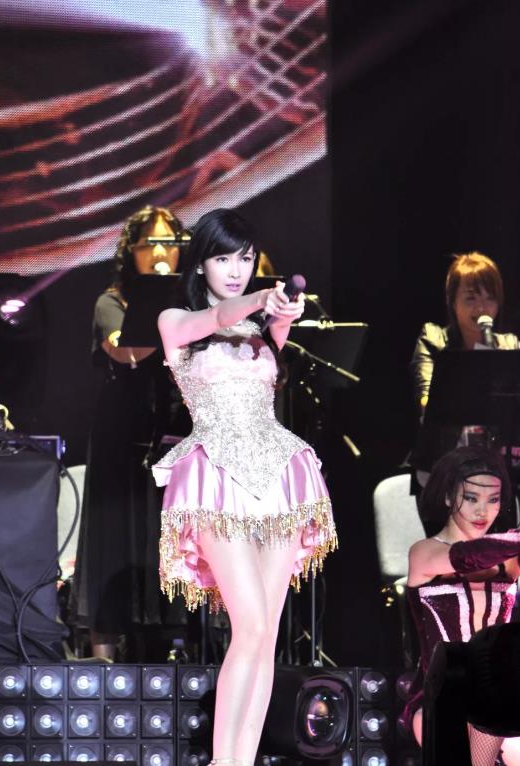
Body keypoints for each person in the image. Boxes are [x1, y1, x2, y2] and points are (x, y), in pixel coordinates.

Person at [151, 208, 337, 765]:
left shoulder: (262, 326)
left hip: (280, 476)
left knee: (266, 633)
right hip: (214, 478)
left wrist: (282, 313)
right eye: (223, 258)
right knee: (250, 623)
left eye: (246, 259)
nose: (236, 270)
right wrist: (259, 298)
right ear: (200, 263)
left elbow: (275, 330)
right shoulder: (175, 320)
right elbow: (217, 316)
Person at [70, 204, 187, 660]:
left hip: (170, 427)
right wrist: (168, 319)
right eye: (149, 243)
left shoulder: (189, 302)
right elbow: (125, 353)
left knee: (165, 532)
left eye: (168, 243)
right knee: (113, 533)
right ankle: (102, 655)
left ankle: (170, 645)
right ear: (131, 251)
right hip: (121, 431)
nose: (159, 253)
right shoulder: (111, 301)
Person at [402, 446, 520, 766]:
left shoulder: (507, 559)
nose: (483, 511)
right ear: (448, 496)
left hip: (495, 701)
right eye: (471, 498)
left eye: (493, 500)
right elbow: (468, 557)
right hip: (441, 698)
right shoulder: (423, 552)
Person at [411, 251, 520, 416]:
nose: (482, 308)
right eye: (471, 298)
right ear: (453, 302)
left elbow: (519, 407)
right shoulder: (433, 339)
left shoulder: (509, 344)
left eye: (490, 298)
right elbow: (426, 400)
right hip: (449, 431)